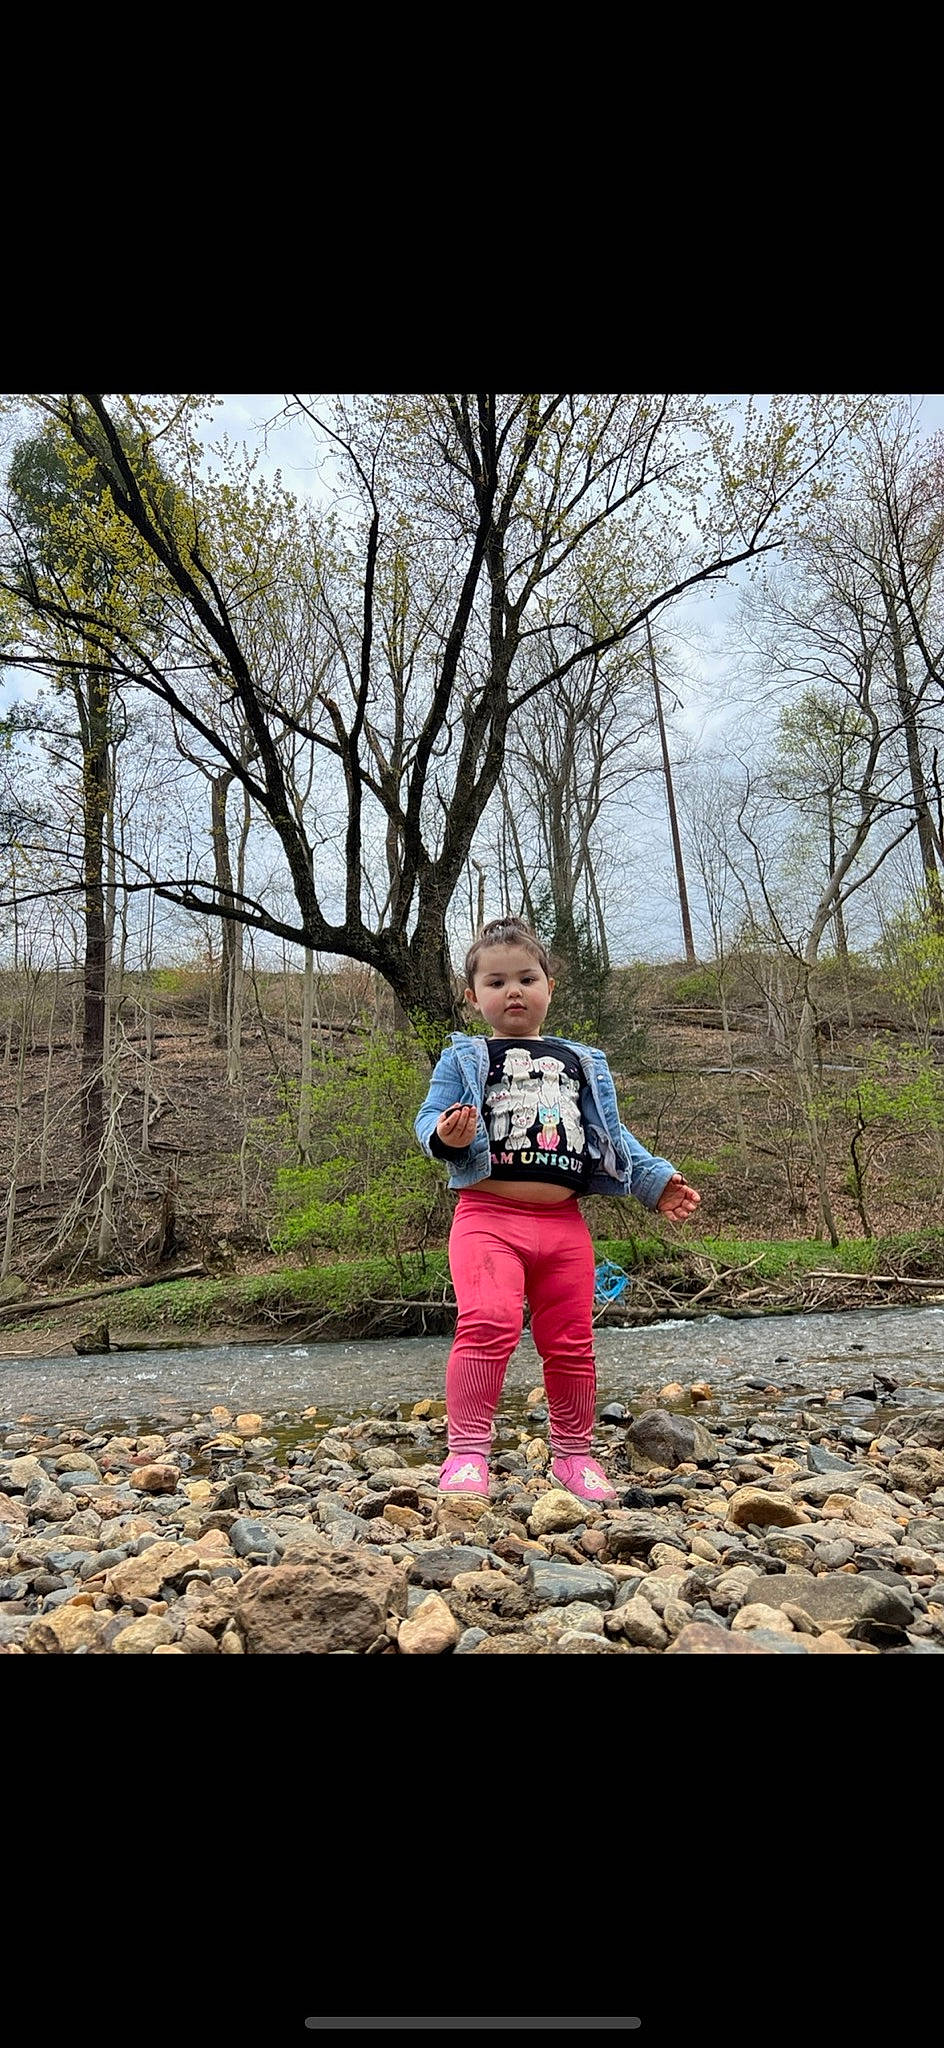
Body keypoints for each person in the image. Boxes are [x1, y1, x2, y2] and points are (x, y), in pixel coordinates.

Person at [414, 916, 701, 1504]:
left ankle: (574, 1455)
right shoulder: (465, 1057)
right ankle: (467, 1453)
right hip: (487, 1218)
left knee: (570, 1340)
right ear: (473, 997)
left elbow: (613, 1138)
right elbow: (428, 1119)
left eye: (526, 979)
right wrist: (446, 1135)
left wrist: (655, 1183)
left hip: (564, 1226)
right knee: (488, 1323)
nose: (513, 992)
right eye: (496, 983)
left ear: (550, 986)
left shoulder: (580, 1061)